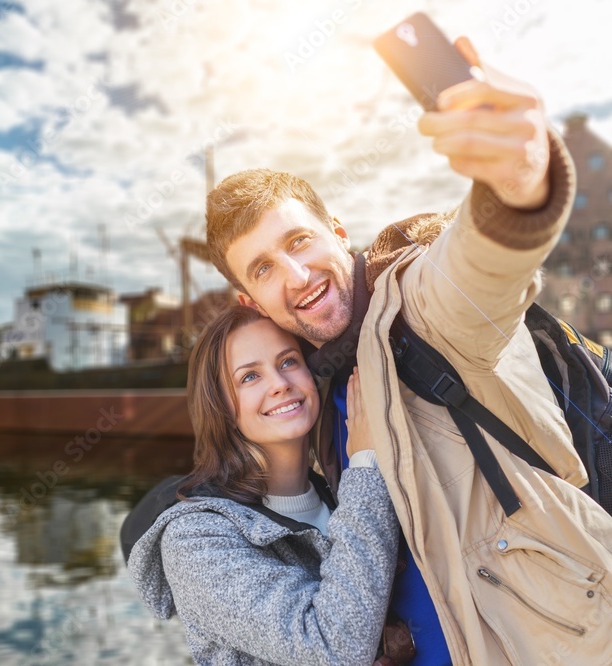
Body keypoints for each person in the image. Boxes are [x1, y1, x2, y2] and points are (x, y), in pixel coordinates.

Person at [204, 37, 612, 665]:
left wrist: (519, 178)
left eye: (301, 241)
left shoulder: (418, 307)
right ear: (251, 298)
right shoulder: (320, 390)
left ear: (339, 233)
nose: (295, 274)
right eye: (263, 268)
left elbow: (481, 261)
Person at [128, 305, 400, 665]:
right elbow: (333, 648)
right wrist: (365, 463)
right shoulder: (195, 538)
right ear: (220, 408)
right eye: (249, 377)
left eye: (288, 361)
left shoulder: (338, 497)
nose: (279, 384)